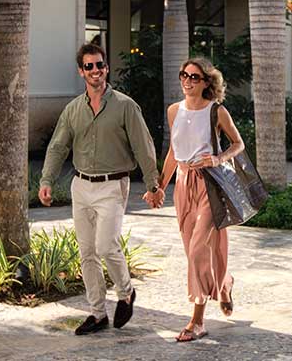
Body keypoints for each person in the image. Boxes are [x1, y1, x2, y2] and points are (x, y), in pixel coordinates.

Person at [39, 43, 164, 335]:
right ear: (81, 71)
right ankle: (97, 314)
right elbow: (58, 147)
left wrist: (152, 185)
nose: (95, 71)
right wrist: (46, 180)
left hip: (112, 184)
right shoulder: (72, 109)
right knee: (86, 252)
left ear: (106, 68)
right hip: (80, 185)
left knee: (106, 246)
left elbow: (144, 148)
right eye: (89, 66)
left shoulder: (125, 106)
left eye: (100, 65)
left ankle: (126, 292)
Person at [144, 58, 245, 342]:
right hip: (183, 186)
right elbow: (174, 152)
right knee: (192, 251)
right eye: (184, 75)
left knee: (200, 248)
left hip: (210, 184)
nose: (187, 81)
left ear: (206, 82)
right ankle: (224, 284)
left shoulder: (216, 111)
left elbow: (238, 144)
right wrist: (159, 186)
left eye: (194, 77)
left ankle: (197, 321)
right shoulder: (174, 110)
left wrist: (217, 157)